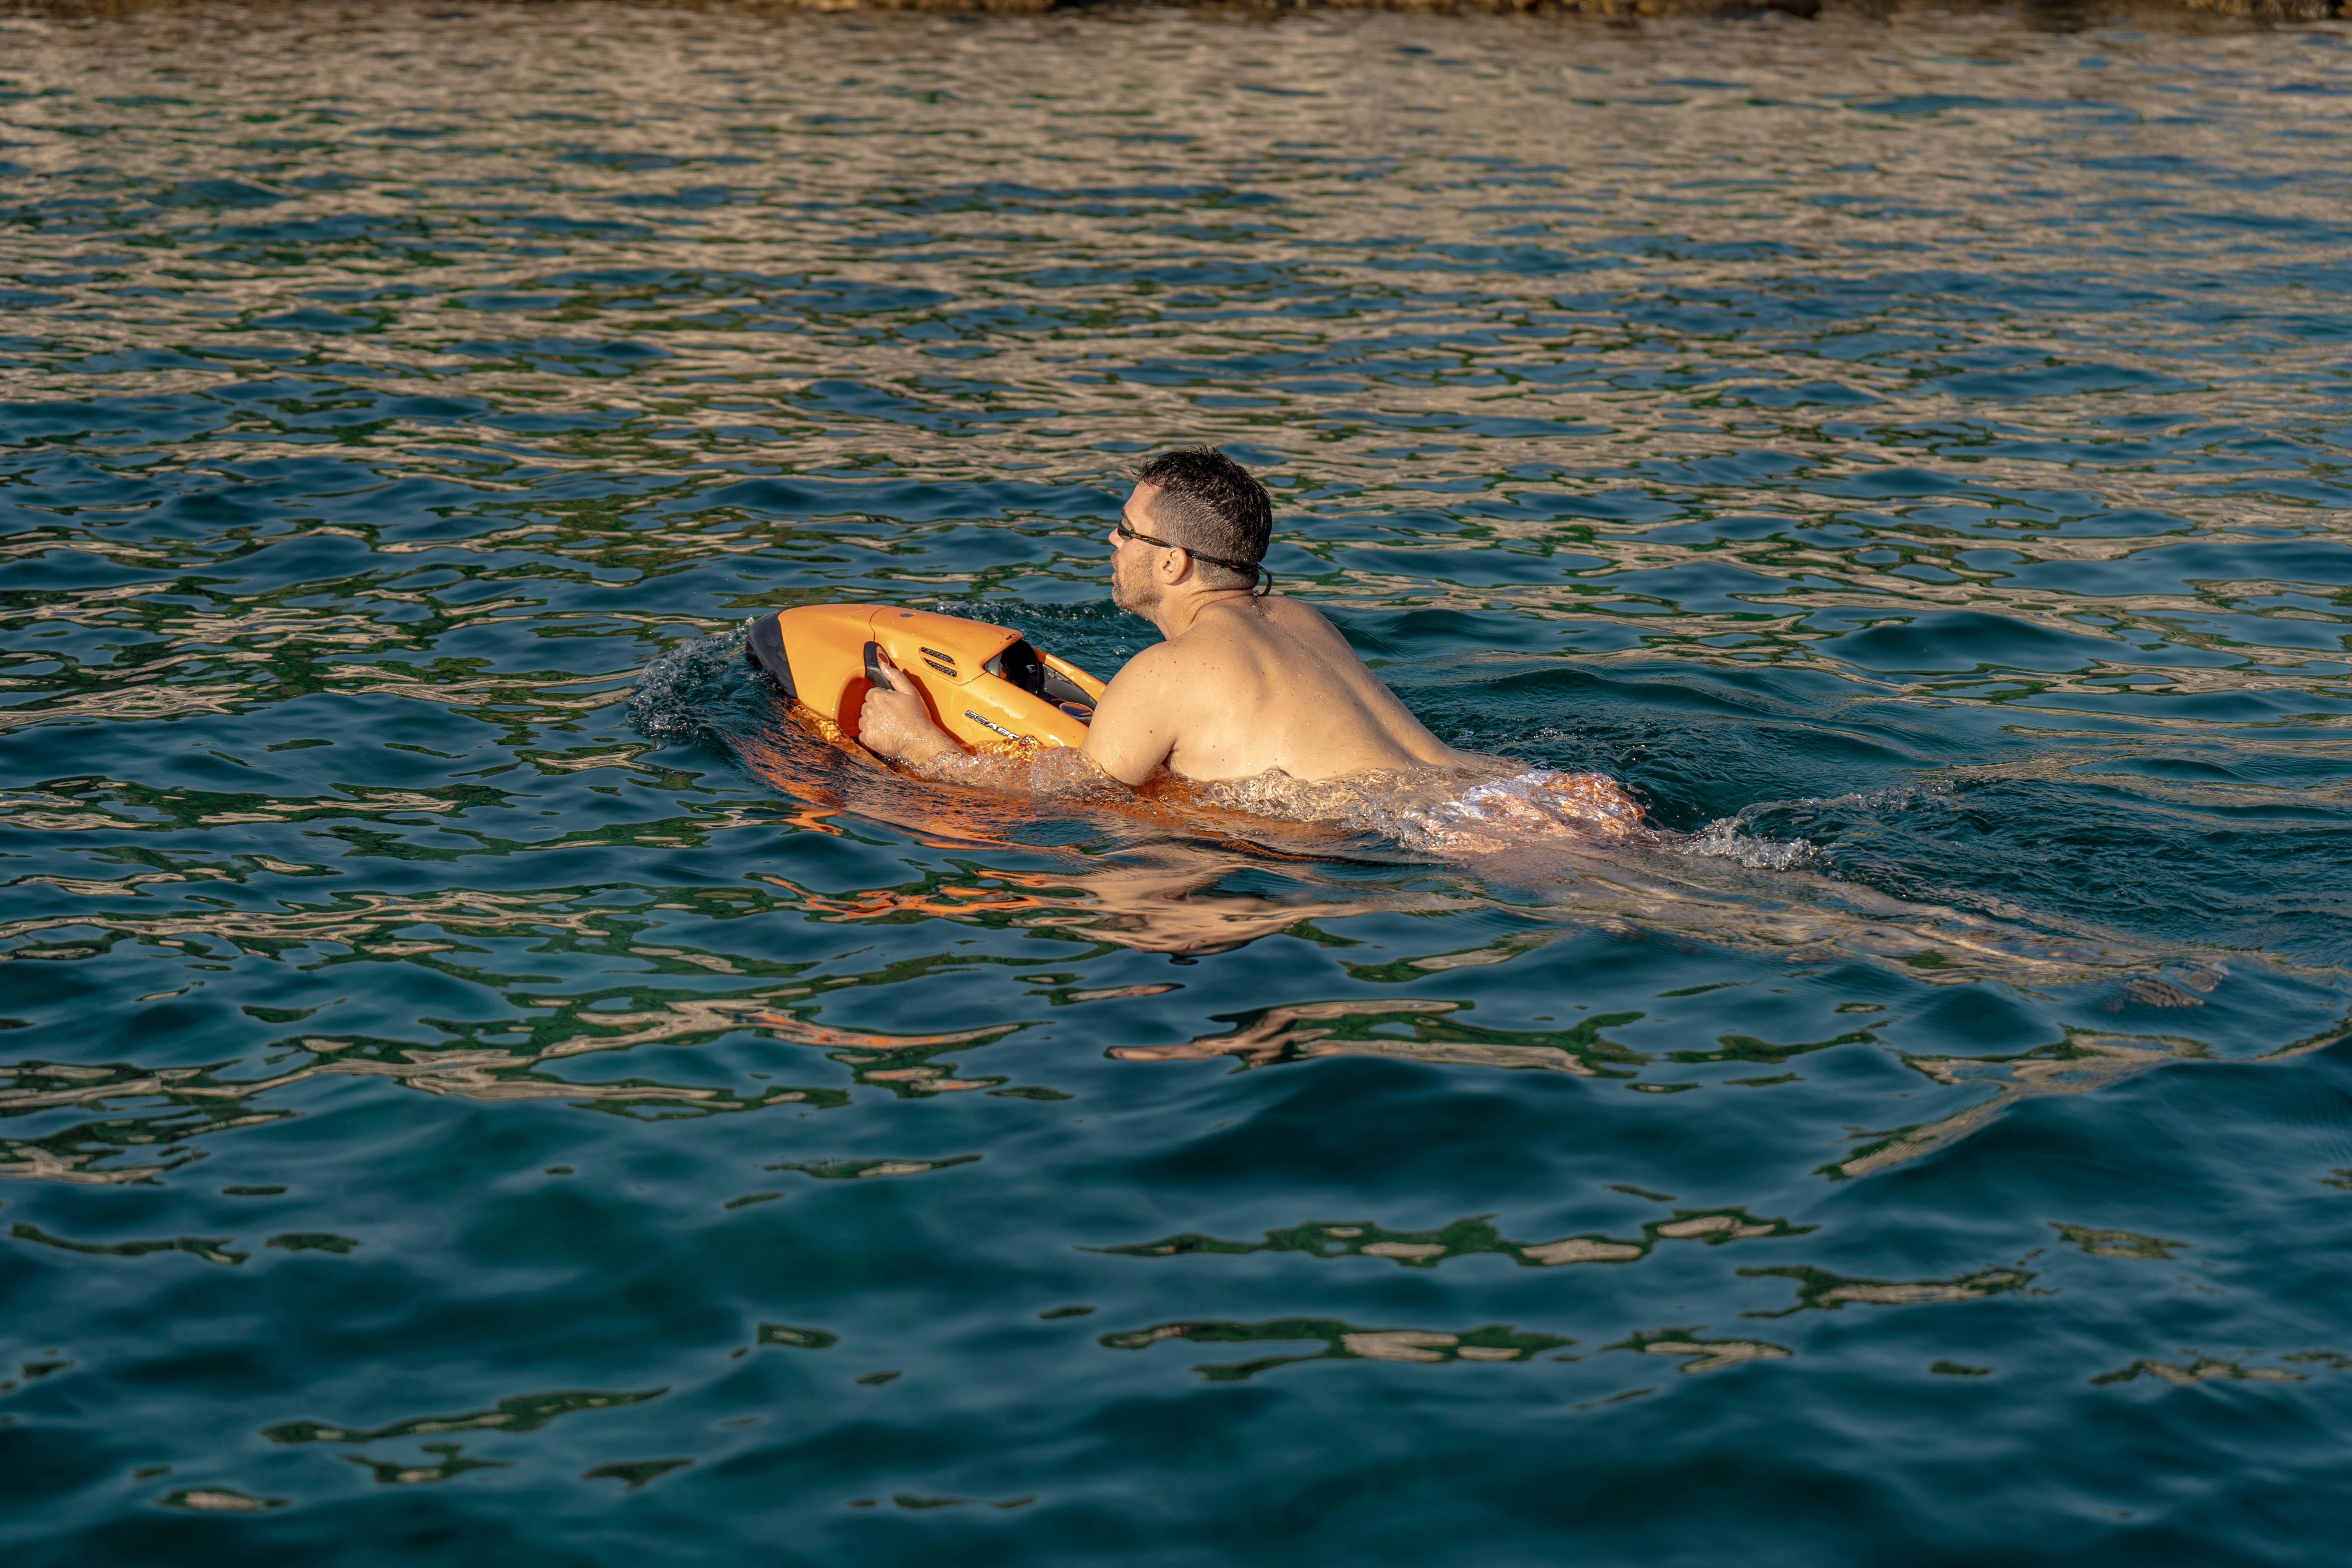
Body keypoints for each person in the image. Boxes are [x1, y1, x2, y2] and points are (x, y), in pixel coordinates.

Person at [854, 446, 1645, 847]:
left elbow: (1074, 798)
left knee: (1685, 911)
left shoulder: (1163, 672)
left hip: (1462, 833)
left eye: (1126, 529)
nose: (1112, 539)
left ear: (1173, 562)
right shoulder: (1299, 618)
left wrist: (922, 749)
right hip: (1539, 791)